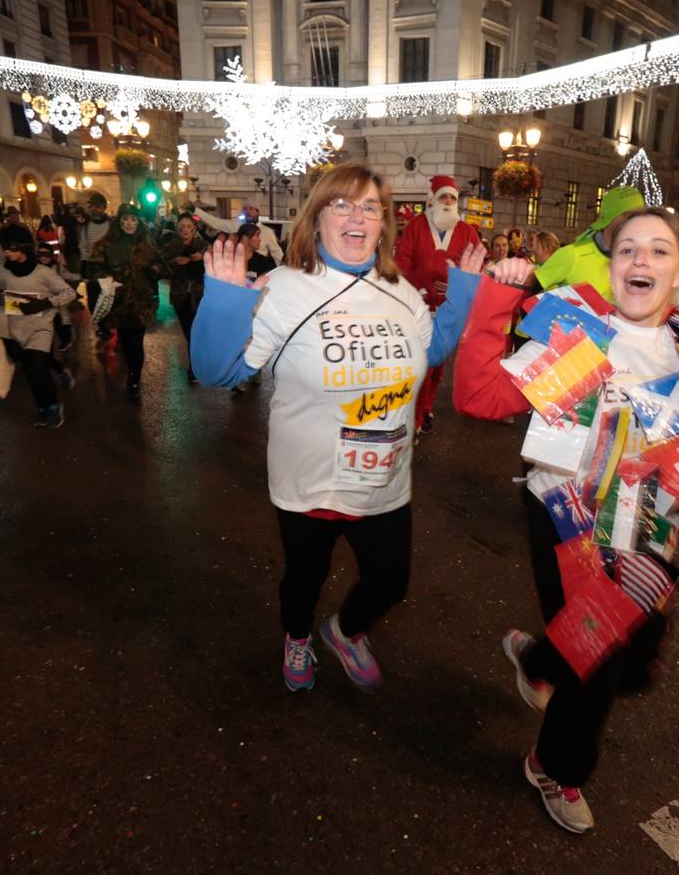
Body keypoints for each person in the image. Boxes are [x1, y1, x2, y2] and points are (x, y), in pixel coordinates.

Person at [454, 206, 679, 834]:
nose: (640, 260)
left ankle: (541, 659)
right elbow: (479, 396)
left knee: (636, 663)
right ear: (611, 265)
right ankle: (554, 767)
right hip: (566, 514)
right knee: (598, 666)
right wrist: (495, 300)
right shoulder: (580, 333)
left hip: (649, 521)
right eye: (627, 248)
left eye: (658, 250)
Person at [189, 163, 482, 694]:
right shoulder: (282, 288)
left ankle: (344, 631)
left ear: (383, 223)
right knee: (304, 579)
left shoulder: (400, 291)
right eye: (342, 204)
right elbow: (218, 373)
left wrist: (462, 292)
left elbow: (433, 350)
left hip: (383, 479)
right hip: (310, 482)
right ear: (317, 216)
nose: (357, 217)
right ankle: (297, 636)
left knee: (389, 584)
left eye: (370, 207)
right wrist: (225, 302)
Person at [394, 174, 483, 435]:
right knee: (421, 363)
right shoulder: (416, 226)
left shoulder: (467, 232)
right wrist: (415, 289)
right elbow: (402, 262)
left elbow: (476, 267)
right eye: (443, 197)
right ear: (432, 199)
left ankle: (425, 408)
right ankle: (416, 413)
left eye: (452, 198)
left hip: (449, 308)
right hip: (417, 306)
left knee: (438, 365)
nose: (447, 202)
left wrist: (458, 288)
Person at [0, 237, 75, 427]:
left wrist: (45, 303)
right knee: (30, 373)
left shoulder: (43, 272)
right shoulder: (4, 272)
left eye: (11, 248)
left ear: (23, 248)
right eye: (5, 248)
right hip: (16, 329)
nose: (7, 252)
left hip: (41, 329)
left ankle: (53, 407)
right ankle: (42, 408)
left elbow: (69, 293)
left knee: (40, 370)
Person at [88, 204, 160, 397]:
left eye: (133, 220)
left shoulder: (147, 244)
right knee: (126, 342)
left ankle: (134, 379)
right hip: (119, 303)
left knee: (136, 342)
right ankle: (131, 370)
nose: (129, 223)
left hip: (142, 302)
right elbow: (92, 270)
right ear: (118, 222)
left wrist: (157, 270)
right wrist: (106, 278)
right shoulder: (105, 245)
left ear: (139, 222)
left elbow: (159, 266)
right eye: (125, 219)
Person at [534, 185, 645, 300]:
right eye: (628, 216)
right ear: (609, 218)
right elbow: (526, 294)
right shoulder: (573, 255)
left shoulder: (637, 262)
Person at [160, 211, 208, 383]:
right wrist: (174, 262)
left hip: (200, 295)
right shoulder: (170, 247)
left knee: (197, 331)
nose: (186, 230)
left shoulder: (203, 245)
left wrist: (204, 257)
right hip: (180, 295)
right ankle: (194, 366)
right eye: (182, 227)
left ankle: (194, 367)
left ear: (194, 229)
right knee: (189, 332)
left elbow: (214, 265)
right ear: (177, 230)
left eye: (189, 227)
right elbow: (160, 268)